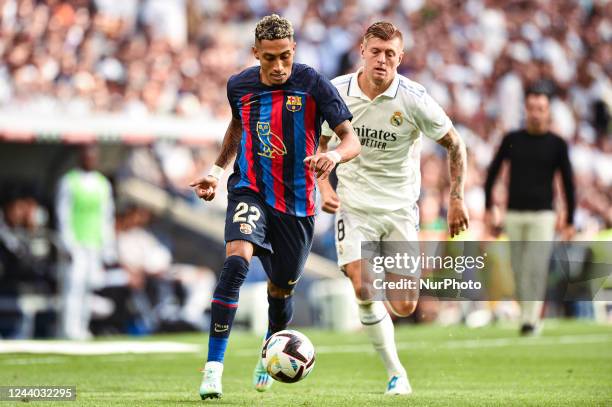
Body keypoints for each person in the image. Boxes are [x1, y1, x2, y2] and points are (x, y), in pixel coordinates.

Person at [189, 14, 360, 400]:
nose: (279, 66)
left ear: (293, 50)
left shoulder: (313, 83)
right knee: (235, 263)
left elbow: (351, 140)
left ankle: (270, 347)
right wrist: (217, 171)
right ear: (256, 54)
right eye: (270, 58)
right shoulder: (240, 85)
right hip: (249, 190)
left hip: (297, 207)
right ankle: (213, 369)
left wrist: (332, 157)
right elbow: (238, 125)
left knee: (280, 291)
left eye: (285, 56)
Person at [318, 22, 469, 395]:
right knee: (363, 287)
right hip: (354, 207)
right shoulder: (336, 92)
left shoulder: (414, 98)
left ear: (400, 58)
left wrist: (455, 198)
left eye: (390, 54)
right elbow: (318, 141)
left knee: (403, 306)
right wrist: (322, 183)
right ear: (362, 51)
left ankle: (382, 279)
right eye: (376, 52)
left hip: (400, 208)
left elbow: (455, 144)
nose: (382, 60)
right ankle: (396, 373)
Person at [484, 84, 575, 336]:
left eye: (541, 109)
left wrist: (570, 219)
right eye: (532, 108)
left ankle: (530, 319)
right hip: (514, 213)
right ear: (526, 109)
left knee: (536, 266)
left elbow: (568, 183)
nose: (536, 113)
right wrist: (488, 207)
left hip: (543, 215)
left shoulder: (557, 144)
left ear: (548, 112)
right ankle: (527, 315)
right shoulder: (513, 139)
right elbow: (492, 172)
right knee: (518, 269)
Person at [56, 145, 116, 340]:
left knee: (89, 286)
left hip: (94, 243)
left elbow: (107, 217)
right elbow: (63, 214)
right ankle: (68, 329)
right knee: (73, 286)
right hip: (76, 243)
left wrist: (108, 247)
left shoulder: (102, 184)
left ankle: (82, 327)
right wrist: (68, 243)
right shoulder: (69, 182)